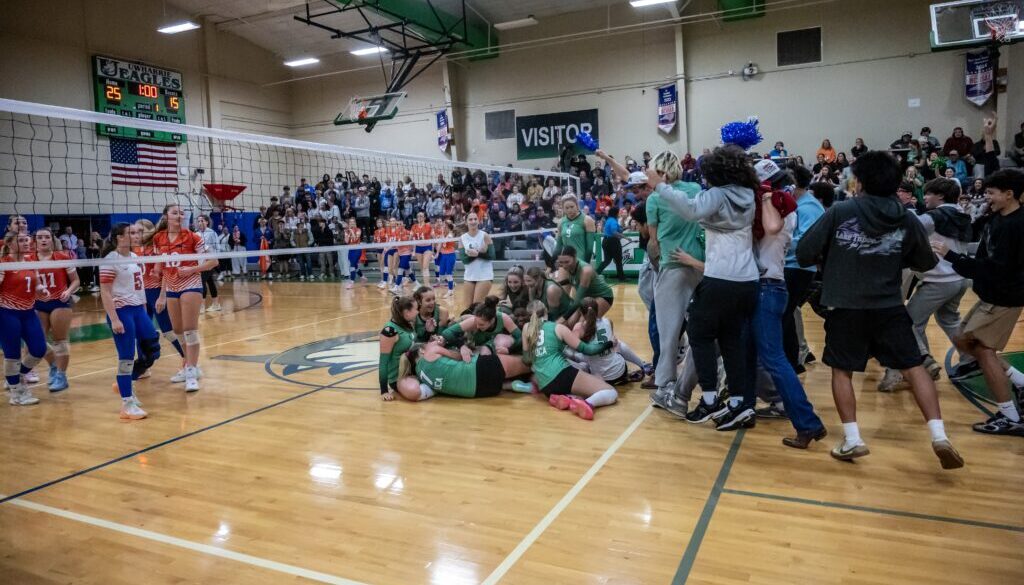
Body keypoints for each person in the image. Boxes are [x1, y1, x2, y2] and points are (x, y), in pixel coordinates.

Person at [796, 150, 964, 469]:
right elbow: (925, 261)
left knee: (842, 370)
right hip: (888, 305)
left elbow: (805, 253)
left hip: (846, 305)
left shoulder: (841, 211)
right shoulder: (905, 216)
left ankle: (852, 439)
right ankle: (939, 435)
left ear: (859, 180)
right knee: (913, 366)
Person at [645, 145, 760, 431]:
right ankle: (738, 403)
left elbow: (691, 210)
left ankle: (708, 399)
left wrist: (660, 186)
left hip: (721, 276)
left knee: (699, 334)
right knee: (731, 340)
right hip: (747, 278)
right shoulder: (748, 195)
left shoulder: (716, 195)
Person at [932, 169, 1024, 435]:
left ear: (1009, 195)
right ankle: (1019, 381)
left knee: (983, 352)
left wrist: (953, 258)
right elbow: (984, 256)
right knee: (963, 340)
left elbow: (995, 269)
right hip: (990, 294)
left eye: (992, 193)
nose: (988, 197)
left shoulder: (1016, 226)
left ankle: (1011, 416)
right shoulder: (996, 218)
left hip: (1004, 297)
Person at [747, 160, 827, 448]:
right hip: (771, 286)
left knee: (775, 359)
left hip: (768, 287)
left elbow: (769, 228)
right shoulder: (782, 206)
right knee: (762, 357)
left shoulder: (779, 207)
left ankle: (807, 423)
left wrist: (765, 195)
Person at [879, 178, 973, 392]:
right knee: (949, 320)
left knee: (908, 321)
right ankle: (970, 359)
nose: (925, 198)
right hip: (959, 279)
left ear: (940, 196)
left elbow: (908, 229)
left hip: (940, 281)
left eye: (928, 194)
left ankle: (924, 364)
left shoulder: (935, 216)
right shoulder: (962, 214)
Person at [644, 151, 706, 408]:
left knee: (668, 333)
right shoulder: (695, 188)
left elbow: (653, 242)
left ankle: (666, 385)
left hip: (673, 266)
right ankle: (708, 380)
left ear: (661, 173)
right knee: (702, 332)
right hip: (702, 265)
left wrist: (658, 268)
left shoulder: (655, 199)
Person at [147, 204, 217, 392]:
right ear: (165, 216)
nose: (179, 215)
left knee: (189, 330)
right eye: (174, 212)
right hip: (171, 286)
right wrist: (156, 273)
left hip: (191, 284)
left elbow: (213, 261)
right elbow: (161, 266)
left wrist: (192, 269)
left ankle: (192, 371)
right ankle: (189, 366)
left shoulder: (192, 236)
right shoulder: (158, 238)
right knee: (177, 330)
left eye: (181, 213)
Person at [99, 223, 160, 420]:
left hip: (137, 309)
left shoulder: (135, 257)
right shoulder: (110, 260)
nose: (136, 235)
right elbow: (105, 292)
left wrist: (143, 308)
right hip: (121, 310)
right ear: (119, 237)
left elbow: (138, 287)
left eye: (138, 232)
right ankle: (127, 404)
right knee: (126, 356)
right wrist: (115, 319)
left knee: (152, 349)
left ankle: (125, 382)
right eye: (131, 233)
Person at [519, 301, 618, 420]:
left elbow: (526, 359)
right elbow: (588, 350)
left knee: (581, 376)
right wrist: (610, 343)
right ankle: (588, 404)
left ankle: (568, 397)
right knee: (611, 392)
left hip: (545, 385)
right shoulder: (558, 328)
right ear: (546, 311)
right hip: (562, 374)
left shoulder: (526, 328)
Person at [394, 336, 532, 401]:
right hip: (479, 369)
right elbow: (459, 357)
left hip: (480, 392)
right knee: (528, 363)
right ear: (422, 351)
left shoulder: (420, 375)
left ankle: (510, 385)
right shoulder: (431, 351)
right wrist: (461, 348)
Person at [781, 164, 823, 372]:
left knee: (785, 312)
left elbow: (807, 240)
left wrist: (779, 240)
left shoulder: (809, 207)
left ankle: (793, 360)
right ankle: (795, 358)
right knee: (787, 312)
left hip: (798, 267)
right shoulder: (799, 204)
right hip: (792, 265)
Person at [0, 231, 47, 406]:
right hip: (7, 313)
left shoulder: (30, 261)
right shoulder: (4, 264)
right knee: (12, 354)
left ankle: (18, 376)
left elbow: (35, 282)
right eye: (21, 241)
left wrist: (41, 289)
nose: (26, 243)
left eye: (27, 240)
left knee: (39, 349)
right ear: (10, 244)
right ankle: (16, 393)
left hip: (28, 312)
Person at [134, 219, 186, 370]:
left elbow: (166, 272)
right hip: (141, 294)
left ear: (150, 231)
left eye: (141, 231)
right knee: (140, 330)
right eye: (135, 232)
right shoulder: (135, 250)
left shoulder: (156, 248)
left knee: (168, 331)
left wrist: (162, 296)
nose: (137, 235)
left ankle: (188, 359)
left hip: (156, 292)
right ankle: (143, 366)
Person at [32, 228, 79, 392]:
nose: (43, 240)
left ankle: (61, 375)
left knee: (60, 340)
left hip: (59, 301)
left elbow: (76, 281)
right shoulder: (28, 259)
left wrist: (69, 291)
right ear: (35, 240)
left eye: (46, 237)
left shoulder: (62, 257)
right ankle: (53, 364)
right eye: (40, 237)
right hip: (38, 303)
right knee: (37, 341)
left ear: (52, 240)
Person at [572, 298, 650, 384]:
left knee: (574, 356)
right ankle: (643, 364)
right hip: (620, 371)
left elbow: (573, 347)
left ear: (581, 312)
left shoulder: (579, 328)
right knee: (618, 343)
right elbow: (614, 343)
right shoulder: (607, 321)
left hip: (601, 379)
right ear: (597, 309)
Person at [441, 296, 521, 354]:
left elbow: (521, 338)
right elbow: (446, 332)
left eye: (481, 324)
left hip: (486, 343)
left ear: (492, 320)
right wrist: (462, 346)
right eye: (477, 322)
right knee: (443, 340)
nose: (478, 326)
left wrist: (509, 350)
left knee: (503, 339)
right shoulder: (473, 321)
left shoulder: (504, 318)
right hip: (466, 328)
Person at [378, 295, 417, 402]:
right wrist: (384, 391)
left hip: (412, 371)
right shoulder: (389, 331)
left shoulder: (407, 324)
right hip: (398, 377)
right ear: (407, 312)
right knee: (417, 392)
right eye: (416, 309)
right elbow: (383, 363)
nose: (418, 312)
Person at [459, 213, 494, 307]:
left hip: (484, 276)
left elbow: (492, 256)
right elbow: (464, 260)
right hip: (469, 276)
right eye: (470, 219)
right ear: (466, 222)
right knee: (467, 308)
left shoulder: (485, 235)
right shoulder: (462, 238)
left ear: (479, 221)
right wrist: (477, 254)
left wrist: (477, 254)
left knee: (476, 307)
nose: (473, 221)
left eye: (475, 219)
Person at [555, 194, 597, 263]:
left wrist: (585, 264)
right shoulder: (561, 222)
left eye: (572, 207)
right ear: (563, 209)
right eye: (566, 208)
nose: (569, 210)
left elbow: (589, 248)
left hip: (580, 261)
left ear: (577, 206)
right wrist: (552, 263)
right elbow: (558, 247)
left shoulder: (587, 220)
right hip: (565, 262)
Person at [194, 215, 221, 311]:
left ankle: (201, 307)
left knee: (201, 282)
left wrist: (214, 258)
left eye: (202, 221)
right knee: (210, 282)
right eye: (198, 221)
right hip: (200, 263)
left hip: (210, 262)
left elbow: (218, 248)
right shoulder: (196, 234)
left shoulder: (211, 233)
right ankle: (216, 305)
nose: (200, 222)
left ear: (207, 222)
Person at [597, 205, 627, 281]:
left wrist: (625, 228)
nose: (620, 213)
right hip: (613, 241)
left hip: (605, 241)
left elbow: (617, 229)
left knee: (607, 260)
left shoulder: (609, 220)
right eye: (619, 212)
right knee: (618, 259)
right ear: (616, 213)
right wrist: (625, 237)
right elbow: (614, 232)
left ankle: (595, 274)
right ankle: (621, 277)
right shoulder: (613, 221)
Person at [434, 219, 457, 298]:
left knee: (449, 274)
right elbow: (440, 244)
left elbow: (446, 243)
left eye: (444, 226)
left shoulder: (451, 234)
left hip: (450, 256)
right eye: (443, 226)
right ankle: (452, 283)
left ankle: (450, 291)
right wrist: (437, 253)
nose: (443, 227)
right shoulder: (443, 234)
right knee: (441, 274)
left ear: (448, 227)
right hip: (443, 256)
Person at [411, 212, 434, 287]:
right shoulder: (414, 226)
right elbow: (411, 238)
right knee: (422, 268)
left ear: (424, 218)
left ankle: (427, 285)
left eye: (421, 216)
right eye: (418, 216)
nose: (419, 217)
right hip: (418, 247)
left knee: (425, 266)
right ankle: (427, 284)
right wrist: (413, 250)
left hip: (427, 247)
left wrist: (433, 251)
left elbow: (434, 238)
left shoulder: (428, 226)